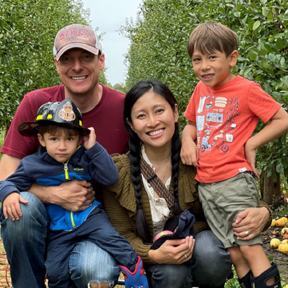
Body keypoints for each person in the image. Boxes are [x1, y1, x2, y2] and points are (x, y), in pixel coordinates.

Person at [102, 79, 273, 288]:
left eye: (159, 111)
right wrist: (154, 254)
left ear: (175, 113)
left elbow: (238, 194)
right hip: (155, 262)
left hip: (199, 247)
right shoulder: (119, 171)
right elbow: (121, 235)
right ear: (130, 123)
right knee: (171, 272)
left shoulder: (202, 157)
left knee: (211, 253)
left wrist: (264, 213)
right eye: (141, 116)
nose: (152, 122)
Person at [0, 24, 130, 288]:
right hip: (46, 223)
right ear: (57, 64)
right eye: (67, 58)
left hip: (94, 227)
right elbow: (6, 174)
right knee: (20, 207)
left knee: (94, 270)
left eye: (86, 57)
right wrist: (51, 194)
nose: (77, 67)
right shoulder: (35, 104)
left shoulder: (124, 107)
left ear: (101, 60)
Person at [181, 21, 288, 288]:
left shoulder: (246, 89)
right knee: (234, 251)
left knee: (249, 246)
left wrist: (251, 144)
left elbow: (281, 118)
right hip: (207, 184)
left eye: (212, 57)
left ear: (232, 58)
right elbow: (192, 123)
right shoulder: (200, 91)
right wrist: (187, 140)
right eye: (197, 59)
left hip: (234, 182)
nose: (204, 66)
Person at [0, 98, 149, 288]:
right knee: (55, 271)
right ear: (41, 140)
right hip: (58, 229)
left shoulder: (85, 158)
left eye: (69, 139)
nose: (62, 146)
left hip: (90, 218)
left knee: (115, 242)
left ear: (79, 139)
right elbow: (7, 183)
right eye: (54, 139)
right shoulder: (32, 165)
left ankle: (134, 271)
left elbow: (110, 177)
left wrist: (94, 149)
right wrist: (10, 193)